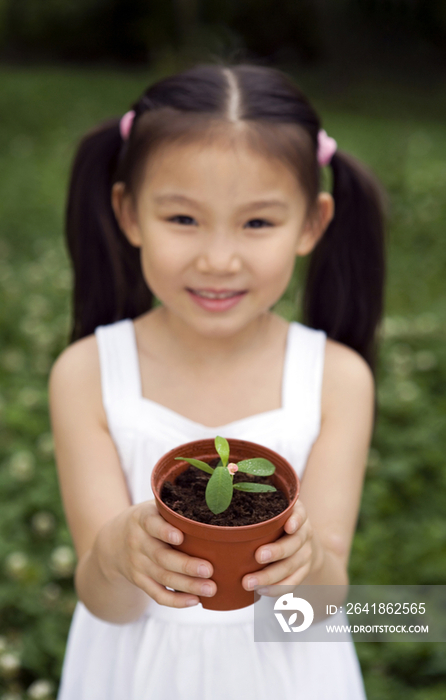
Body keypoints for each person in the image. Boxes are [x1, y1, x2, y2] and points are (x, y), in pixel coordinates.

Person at [49, 63, 385, 700]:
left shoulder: (337, 379)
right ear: (128, 212)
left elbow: (321, 605)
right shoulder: (89, 374)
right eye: (183, 219)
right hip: (134, 674)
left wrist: (306, 567)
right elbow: (108, 604)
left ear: (312, 224)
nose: (218, 259)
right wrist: (117, 554)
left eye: (257, 223)